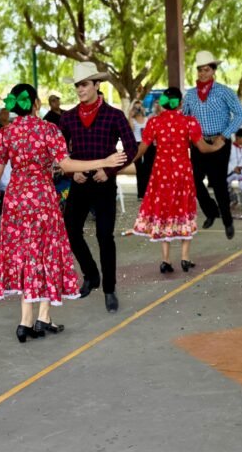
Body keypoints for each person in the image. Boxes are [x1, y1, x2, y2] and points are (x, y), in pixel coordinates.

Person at [0, 83, 126, 341]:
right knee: (45, 254)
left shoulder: (6, 133)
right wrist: (105, 161)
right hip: (42, 200)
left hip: (17, 201)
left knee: (26, 255)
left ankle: (30, 320)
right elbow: (66, 164)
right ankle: (38, 318)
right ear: (36, 104)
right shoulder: (48, 129)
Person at [60, 62, 138, 313]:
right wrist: (73, 170)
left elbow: (131, 148)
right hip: (79, 183)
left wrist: (110, 170)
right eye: (77, 86)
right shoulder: (68, 117)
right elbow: (59, 151)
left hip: (104, 184)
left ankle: (109, 289)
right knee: (70, 230)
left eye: (84, 84)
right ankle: (91, 274)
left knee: (105, 237)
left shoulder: (114, 115)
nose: (80, 89)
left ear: (96, 85)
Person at [132, 87, 224, 273]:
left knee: (164, 211)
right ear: (181, 103)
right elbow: (203, 148)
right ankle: (184, 258)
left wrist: (118, 163)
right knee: (184, 209)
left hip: (161, 173)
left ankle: (165, 260)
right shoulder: (189, 122)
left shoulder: (154, 122)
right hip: (182, 172)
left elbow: (141, 149)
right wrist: (217, 146)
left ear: (164, 103)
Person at [182, 51, 242, 239]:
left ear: (213, 71)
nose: (202, 73)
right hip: (199, 142)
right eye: (200, 70)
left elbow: (240, 114)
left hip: (219, 142)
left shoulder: (224, 91)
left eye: (206, 70)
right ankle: (211, 211)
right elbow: (185, 118)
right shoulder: (191, 95)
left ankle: (227, 220)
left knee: (218, 183)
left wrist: (224, 136)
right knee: (194, 180)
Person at [128, 100, 154, 200]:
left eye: (140, 107)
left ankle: (147, 192)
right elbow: (131, 129)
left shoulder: (147, 119)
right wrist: (130, 115)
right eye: (136, 108)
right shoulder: (132, 120)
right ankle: (140, 194)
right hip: (136, 144)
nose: (138, 110)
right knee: (139, 170)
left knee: (147, 169)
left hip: (147, 144)